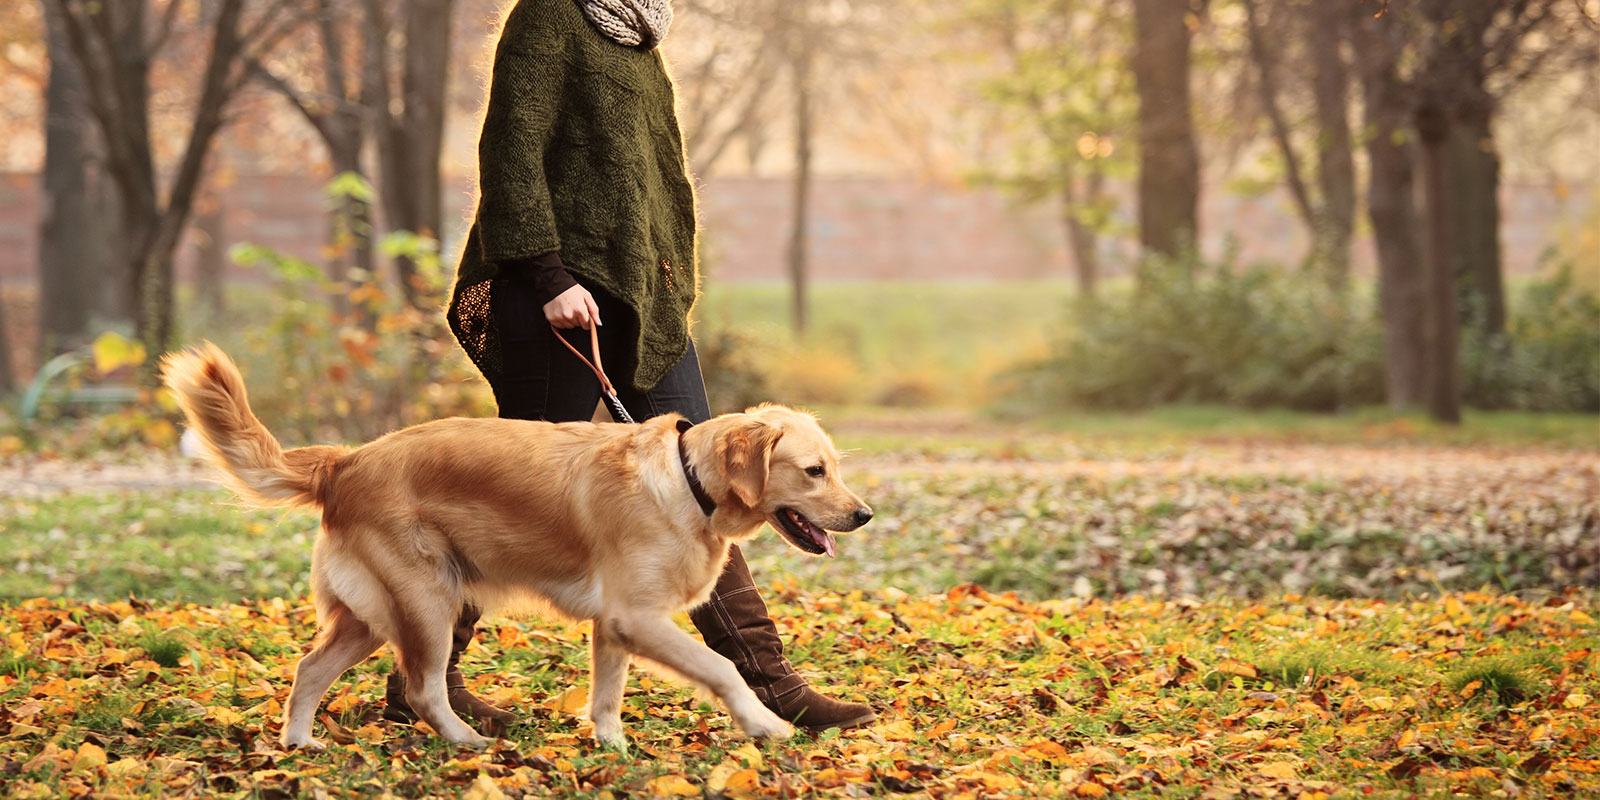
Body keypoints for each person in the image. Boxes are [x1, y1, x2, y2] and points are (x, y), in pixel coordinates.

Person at [382, 0, 876, 733]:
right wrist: (548, 276)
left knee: (716, 480)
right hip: (559, 299)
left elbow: (652, 185)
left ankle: (769, 684)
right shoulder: (549, 15)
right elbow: (512, 149)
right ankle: (424, 684)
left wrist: (667, 285)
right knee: (515, 495)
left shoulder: (640, 33)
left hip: (644, 303)